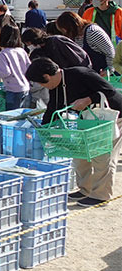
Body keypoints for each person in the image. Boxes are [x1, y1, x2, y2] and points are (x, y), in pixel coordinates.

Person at [25, 57, 121, 206]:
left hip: (112, 117)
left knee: (103, 156)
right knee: (81, 154)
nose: (42, 85)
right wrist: (44, 130)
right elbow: (53, 108)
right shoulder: (55, 87)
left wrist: (88, 99)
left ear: (48, 76)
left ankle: (101, 195)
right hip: (87, 120)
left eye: (42, 82)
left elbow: (109, 90)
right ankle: (85, 189)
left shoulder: (80, 74)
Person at [55, 11, 115, 75]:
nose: (65, 34)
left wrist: (109, 69)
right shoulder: (76, 36)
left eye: (65, 31)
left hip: (103, 74)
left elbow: (110, 52)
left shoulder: (92, 32)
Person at [0, 26, 31, 110]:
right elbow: (29, 67)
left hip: (13, 89)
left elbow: (5, 72)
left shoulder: (3, 53)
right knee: (24, 116)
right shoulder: (22, 51)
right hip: (26, 87)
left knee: (12, 116)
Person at [21, 27, 91, 69]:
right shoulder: (39, 51)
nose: (28, 46)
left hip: (78, 71)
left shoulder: (57, 41)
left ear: (33, 41)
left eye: (28, 44)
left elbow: (76, 57)